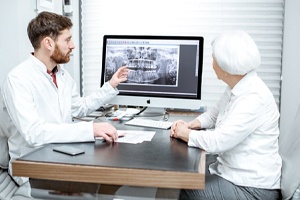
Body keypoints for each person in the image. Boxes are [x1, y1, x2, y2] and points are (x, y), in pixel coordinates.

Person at [1, 11, 129, 192]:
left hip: (63, 155)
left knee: (116, 172)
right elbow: (34, 133)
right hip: (33, 167)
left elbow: (79, 108)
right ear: (48, 43)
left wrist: (110, 85)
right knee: (108, 178)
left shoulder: (62, 75)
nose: (73, 45)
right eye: (67, 40)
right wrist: (89, 129)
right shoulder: (18, 79)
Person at [170, 30, 282, 200]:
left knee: (187, 185)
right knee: (190, 172)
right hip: (234, 174)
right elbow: (214, 115)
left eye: (214, 58)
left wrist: (185, 134)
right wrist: (191, 124)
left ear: (226, 65)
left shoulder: (254, 97)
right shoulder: (237, 86)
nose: (212, 63)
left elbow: (219, 142)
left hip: (252, 188)